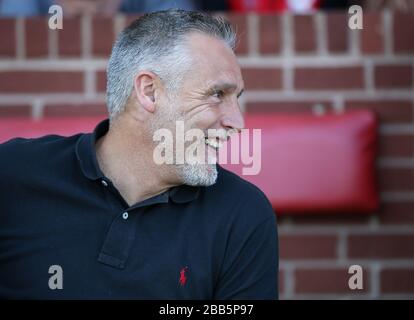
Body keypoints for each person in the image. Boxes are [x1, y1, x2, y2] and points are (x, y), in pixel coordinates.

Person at [0, 10, 278, 299]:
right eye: (217, 94)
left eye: (237, 98)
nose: (238, 122)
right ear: (149, 92)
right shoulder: (14, 175)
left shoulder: (242, 214)